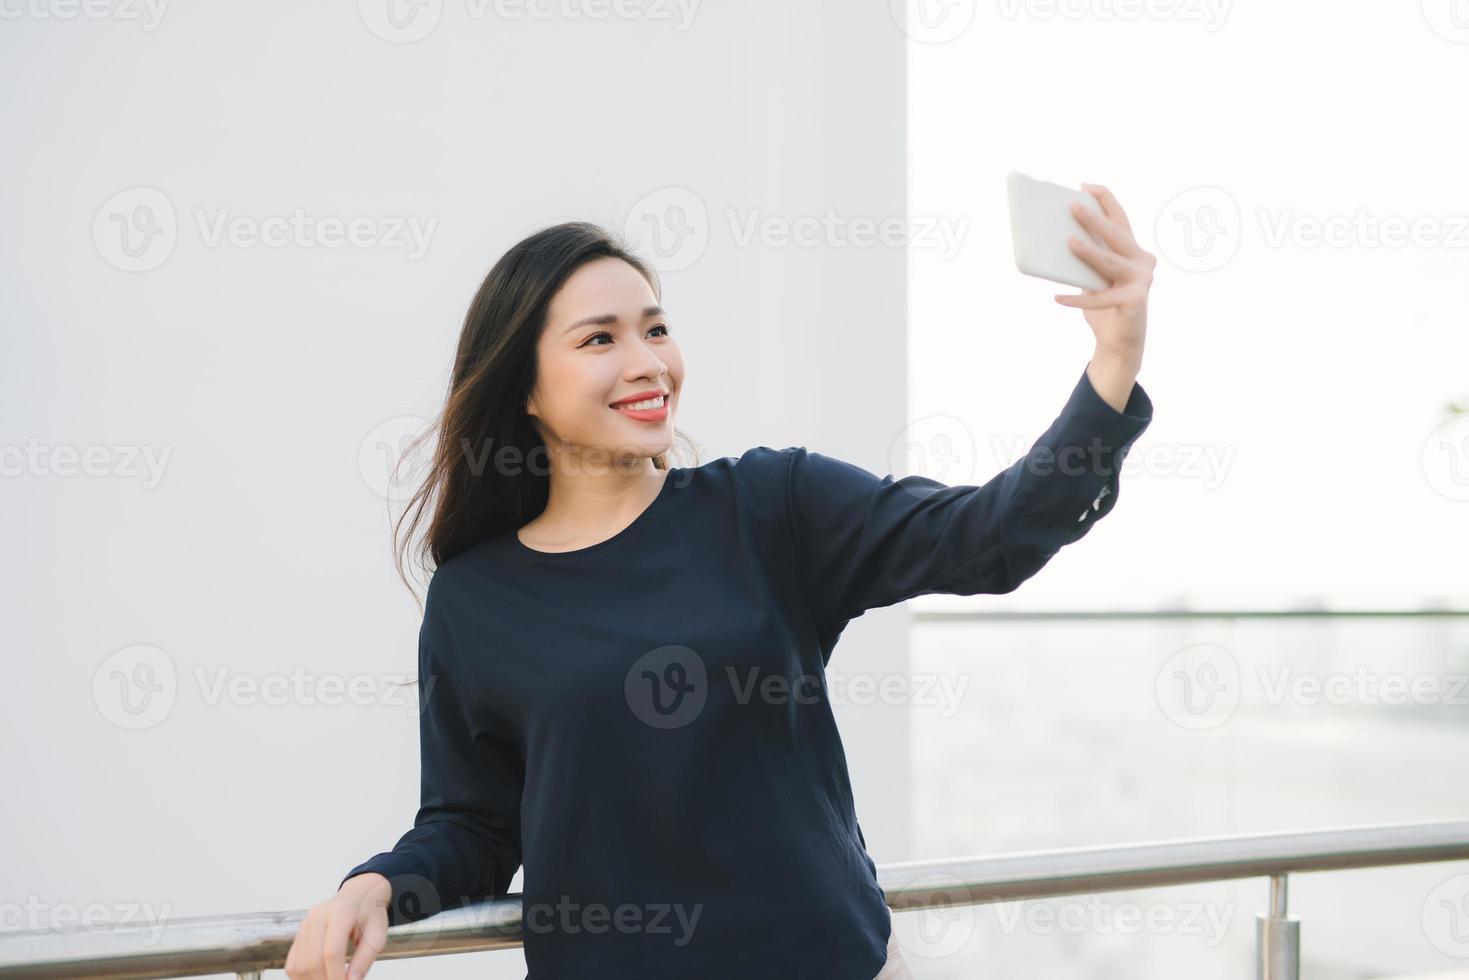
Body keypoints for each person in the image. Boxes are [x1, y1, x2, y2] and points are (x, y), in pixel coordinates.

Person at [283, 188, 1156, 980]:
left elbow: (985, 539)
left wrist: (1113, 361)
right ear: (525, 393)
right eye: (600, 339)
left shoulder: (770, 505)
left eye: (654, 328)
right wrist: (376, 887)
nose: (646, 362)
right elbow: (473, 823)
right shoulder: (477, 598)